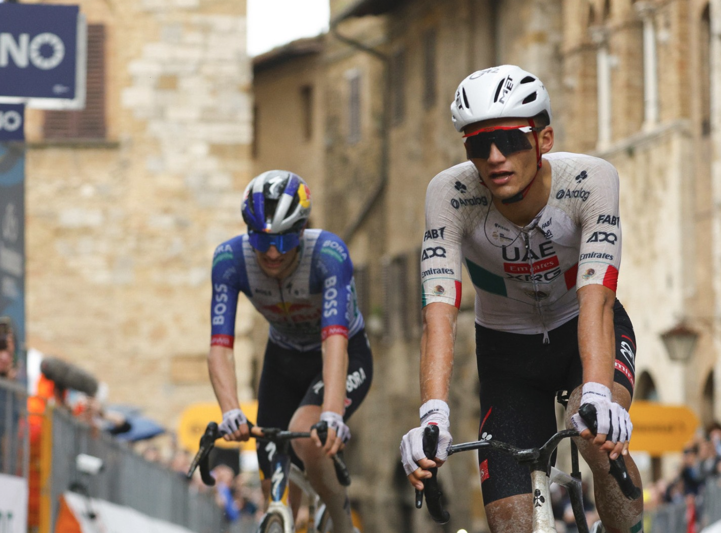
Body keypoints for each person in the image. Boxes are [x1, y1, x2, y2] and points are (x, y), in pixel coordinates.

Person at [398, 65, 643, 533]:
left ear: (544, 139)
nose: (494, 157)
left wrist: (597, 392)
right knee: (508, 521)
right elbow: (438, 313)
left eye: (510, 140)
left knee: (595, 436)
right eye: (478, 145)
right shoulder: (449, 195)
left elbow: (597, 299)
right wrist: (432, 415)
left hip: (583, 331)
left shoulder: (590, 181)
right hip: (506, 353)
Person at [207, 170, 371, 533]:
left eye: (283, 241)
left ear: (302, 230)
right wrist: (230, 410)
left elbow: (334, 340)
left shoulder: (327, 254)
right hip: (282, 360)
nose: (271, 252)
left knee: (307, 431)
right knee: (273, 491)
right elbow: (220, 346)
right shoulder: (229, 260)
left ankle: (342, 521)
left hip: (342, 355)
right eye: (261, 239)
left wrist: (332, 413)